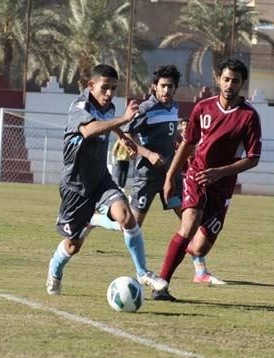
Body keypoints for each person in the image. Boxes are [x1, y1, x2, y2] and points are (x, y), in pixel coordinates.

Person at [90, 65, 225, 285]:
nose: (166, 90)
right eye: (162, 86)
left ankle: (200, 271)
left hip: (169, 176)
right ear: (155, 87)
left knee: (190, 220)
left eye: (170, 86)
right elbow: (125, 136)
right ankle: (96, 219)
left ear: (175, 88)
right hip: (147, 177)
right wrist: (147, 153)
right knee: (130, 225)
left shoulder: (173, 108)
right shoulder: (145, 109)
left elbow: (170, 137)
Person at [46, 64, 167, 296]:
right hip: (76, 187)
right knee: (73, 245)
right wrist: (125, 119)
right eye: (105, 88)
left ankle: (143, 273)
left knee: (126, 216)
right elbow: (90, 130)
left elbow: (109, 122)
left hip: (101, 179)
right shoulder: (79, 106)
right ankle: (54, 271)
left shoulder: (108, 107)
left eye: (114, 88)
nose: (110, 93)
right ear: (91, 86)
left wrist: (123, 138)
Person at [153, 58, 262, 301]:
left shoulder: (249, 117)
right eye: (226, 79)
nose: (229, 85)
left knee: (200, 247)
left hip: (222, 186)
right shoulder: (203, 108)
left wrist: (221, 172)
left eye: (235, 80)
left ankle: (190, 257)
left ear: (242, 83)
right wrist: (171, 176)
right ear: (217, 80)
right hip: (197, 175)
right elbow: (187, 144)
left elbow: (253, 158)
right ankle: (161, 286)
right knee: (189, 222)